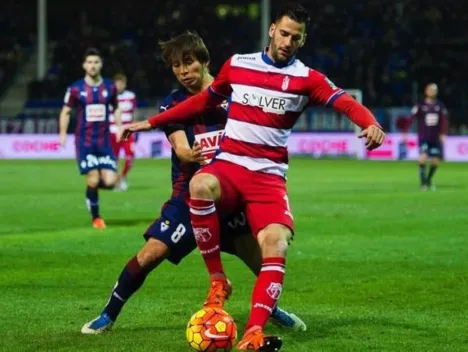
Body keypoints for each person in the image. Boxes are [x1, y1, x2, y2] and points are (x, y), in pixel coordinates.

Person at [122, 4, 385, 350]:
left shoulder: (308, 79)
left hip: (268, 179)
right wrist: (152, 122)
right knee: (200, 185)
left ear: (302, 40)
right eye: (285, 33)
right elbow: (201, 103)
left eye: (297, 37)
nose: (288, 41)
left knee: (276, 244)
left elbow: (345, 102)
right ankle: (218, 280)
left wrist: (370, 122)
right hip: (229, 166)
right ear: (272, 29)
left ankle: (253, 333)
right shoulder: (238, 64)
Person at [81, 31, 306, 335]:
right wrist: (188, 152)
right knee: (151, 253)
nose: (183, 71)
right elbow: (182, 149)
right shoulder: (173, 103)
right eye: (176, 66)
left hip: (233, 198)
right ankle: (107, 315)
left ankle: (273, 311)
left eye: (188, 63)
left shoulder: (236, 95)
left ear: (204, 60)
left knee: (264, 262)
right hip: (190, 200)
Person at [59, 47, 121, 229]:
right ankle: (96, 217)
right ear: (84, 65)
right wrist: (62, 133)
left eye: (96, 62)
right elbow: (65, 111)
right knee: (93, 178)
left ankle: (90, 191)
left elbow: (116, 107)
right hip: (85, 142)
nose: (93, 66)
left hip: (104, 142)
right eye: (89, 62)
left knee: (110, 182)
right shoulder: (75, 89)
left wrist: (119, 127)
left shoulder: (110, 87)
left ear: (101, 64)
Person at [410, 83, 447, 191]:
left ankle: (429, 180)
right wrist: (406, 132)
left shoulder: (440, 105)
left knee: (435, 161)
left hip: (435, 137)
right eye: (430, 90)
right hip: (424, 136)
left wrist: (443, 134)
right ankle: (423, 182)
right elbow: (411, 118)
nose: (432, 92)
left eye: (434, 90)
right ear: (426, 91)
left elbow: (444, 121)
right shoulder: (420, 105)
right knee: (422, 159)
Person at [109, 73, 138, 191]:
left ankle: (123, 177)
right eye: (117, 83)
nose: (120, 85)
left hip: (127, 132)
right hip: (112, 132)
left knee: (130, 156)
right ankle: (116, 181)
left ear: (125, 84)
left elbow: (134, 113)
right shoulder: (109, 96)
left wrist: (135, 127)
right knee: (114, 159)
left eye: (122, 83)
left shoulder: (131, 96)